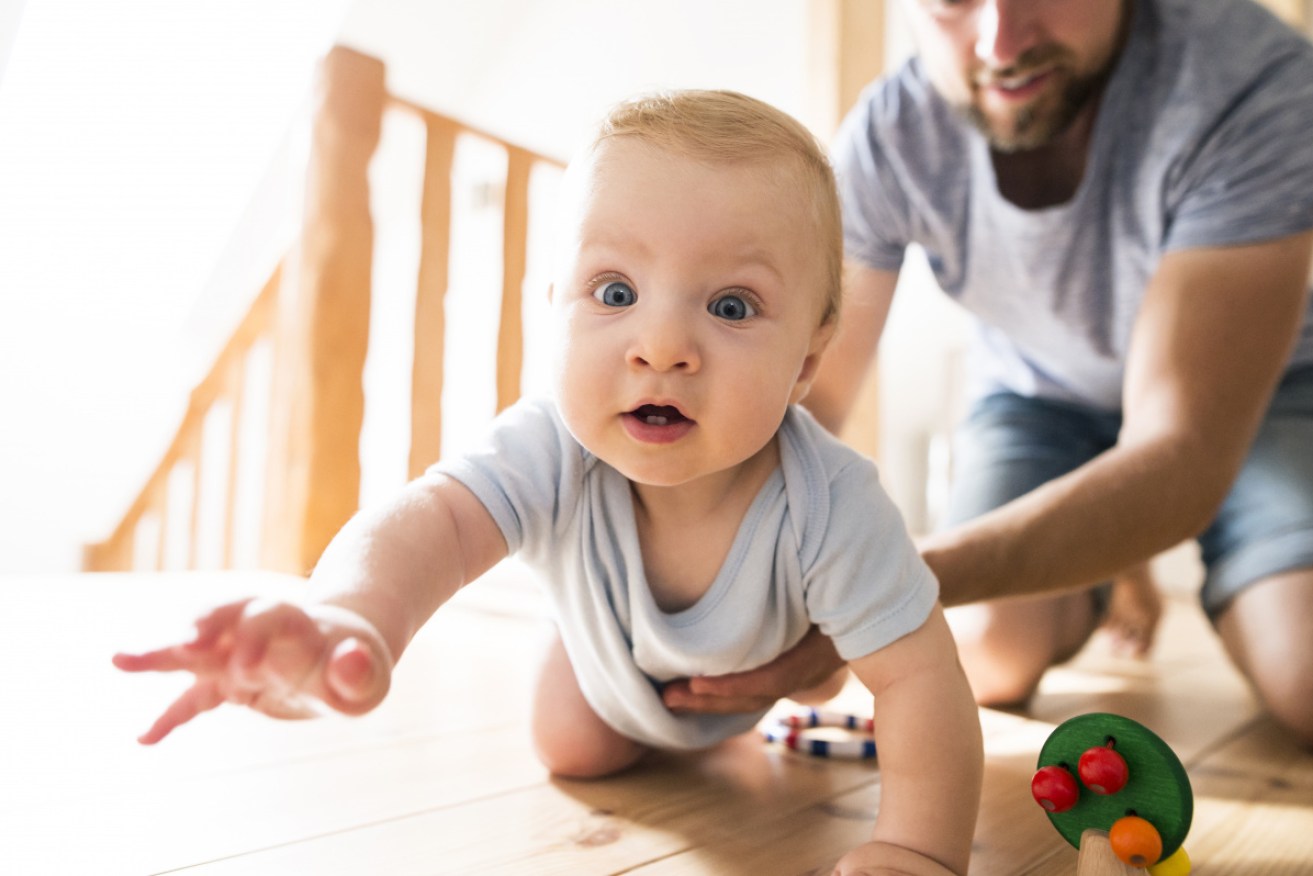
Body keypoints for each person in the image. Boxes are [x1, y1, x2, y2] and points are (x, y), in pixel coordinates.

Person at [114, 90, 984, 876]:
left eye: (729, 307)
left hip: (771, 658)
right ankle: (585, 637)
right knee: (567, 746)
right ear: (551, 306)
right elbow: (435, 521)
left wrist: (915, 847)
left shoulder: (830, 500)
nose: (661, 345)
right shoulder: (551, 446)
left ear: (808, 358)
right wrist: (353, 615)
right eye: (614, 291)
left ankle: (816, 661)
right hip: (613, 667)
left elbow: (919, 682)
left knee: (846, 658)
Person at [662, 0, 1313, 747]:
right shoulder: (889, 132)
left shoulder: (1254, 84)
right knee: (988, 657)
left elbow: (1178, 450)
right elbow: (802, 407)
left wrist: (877, 585)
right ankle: (1107, 563)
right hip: (1038, 396)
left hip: (1263, 397)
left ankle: (1127, 549)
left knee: (1304, 673)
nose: (1001, 42)